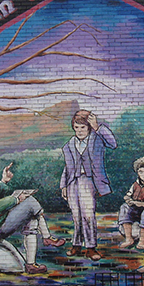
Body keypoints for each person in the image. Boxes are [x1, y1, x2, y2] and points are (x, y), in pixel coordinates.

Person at [0, 138, 65, 275]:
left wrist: (4, 182)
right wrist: (14, 200)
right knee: (30, 202)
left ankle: (31, 263)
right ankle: (46, 237)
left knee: (32, 215)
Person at [60, 110, 117, 261]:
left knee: (88, 214)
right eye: (76, 127)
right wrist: (63, 185)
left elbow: (113, 143)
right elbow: (67, 167)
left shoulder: (97, 139)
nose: (79, 131)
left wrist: (98, 127)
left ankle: (91, 247)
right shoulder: (69, 145)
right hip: (72, 182)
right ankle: (76, 244)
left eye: (83, 128)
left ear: (89, 128)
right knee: (76, 215)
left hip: (89, 180)